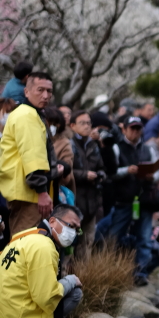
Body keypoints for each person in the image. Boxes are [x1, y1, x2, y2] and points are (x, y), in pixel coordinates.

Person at [0, 203, 83, 318]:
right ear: (52, 221)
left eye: (77, 229)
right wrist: (70, 280)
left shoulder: (28, 234)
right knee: (75, 293)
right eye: (70, 226)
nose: (73, 233)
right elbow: (46, 298)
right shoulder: (44, 246)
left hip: (6, 314)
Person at [0, 71, 60, 236]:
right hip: (29, 195)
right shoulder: (27, 115)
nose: (46, 95)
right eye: (40, 90)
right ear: (27, 91)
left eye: (49, 91)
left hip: (28, 193)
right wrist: (41, 191)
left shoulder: (30, 113)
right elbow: (32, 156)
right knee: (26, 245)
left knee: (29, 244)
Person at [107, 115, 156, 283]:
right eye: (132, 128)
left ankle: (141, 273)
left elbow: (158, 172)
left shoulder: (148, 149)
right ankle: (110, 272)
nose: (136, 132)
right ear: (124, 129)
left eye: (138, 128)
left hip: (144, 199)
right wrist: (126, 170)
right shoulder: (116, 148)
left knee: (144, 238)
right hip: (123, 200)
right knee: (114, 236)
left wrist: (151, 176)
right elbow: (110, 172)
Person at [70, 110, 107, 257]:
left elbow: (101, 166)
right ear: (72, 126)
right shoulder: (69, 144)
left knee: (88, 242)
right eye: (82, 123)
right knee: (71, 243)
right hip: (74, 201)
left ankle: (83, 277)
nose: (87, 126)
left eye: (88, 123)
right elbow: (65, 170)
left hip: (92, 202)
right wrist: (84, 175)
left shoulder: (93, 144)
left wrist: (101, 174)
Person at [43, 106, 76, 202]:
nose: (52, 126)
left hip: (55, 190)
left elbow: (68, 170)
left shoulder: (63, 142)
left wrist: (61, 168)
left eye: (55, 124)